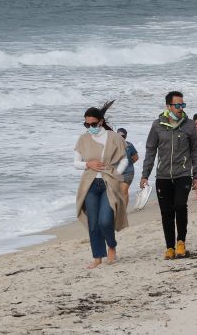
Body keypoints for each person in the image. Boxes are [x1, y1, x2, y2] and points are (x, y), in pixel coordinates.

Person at [141, 91, 197, 260]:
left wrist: (196, 174)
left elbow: (196, 150)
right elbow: (151, 150)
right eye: (178, 105)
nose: (181, 108)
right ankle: (169, 247)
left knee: (180, 205)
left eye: (183, 105)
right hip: (163, 176)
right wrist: (145, 174)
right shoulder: (157, 125)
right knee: (166, 212)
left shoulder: (189, 125)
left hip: (183, 174)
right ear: (168, 106)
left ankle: (181, 242)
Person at [74, 102, 128, 269]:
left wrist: (116, 174)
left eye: (93, 124)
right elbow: (75, 162)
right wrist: (87, 165)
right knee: (93, 222)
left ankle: (111, 246)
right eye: (86, 124)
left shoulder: (113, 137)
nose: (90, 127)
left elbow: (124, 158)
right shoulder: (83, 139)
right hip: (90, 183)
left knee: (105, 220)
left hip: (108, 182)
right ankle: (97, 257)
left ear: (101, 121)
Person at [116, 128, 139, 209]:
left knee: (124, 190)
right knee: (117, 192)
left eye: (123, 136)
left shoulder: (129, 145)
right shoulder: (112, 146)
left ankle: (123, 211)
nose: (121, 137)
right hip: (116, 172)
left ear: (125, 136)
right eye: (119, 135)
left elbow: (136, 157)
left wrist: (129, 164)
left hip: (128, 172)